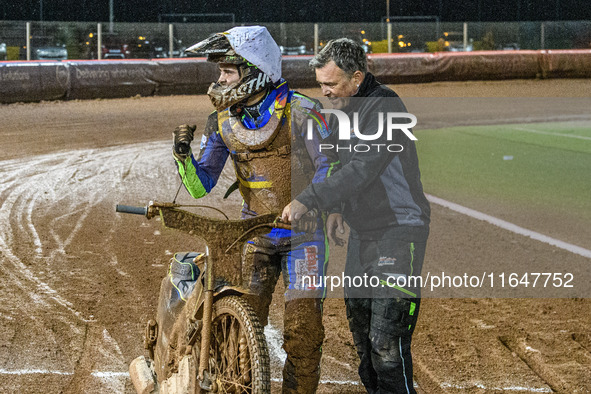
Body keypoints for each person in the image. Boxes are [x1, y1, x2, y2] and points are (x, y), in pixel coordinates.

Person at [173, 26, 338, 393]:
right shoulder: (222, 122)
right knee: (237, 328)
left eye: (227, 72)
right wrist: (182, 158)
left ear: (254, 70)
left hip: (304, 236)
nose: (220, 80)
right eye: (220, 72)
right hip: (254, 235)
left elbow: (333, 167)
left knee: (303, 331)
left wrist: (305, 200)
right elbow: (201, 186)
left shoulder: (303, 111)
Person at [282, 38, 430, 394]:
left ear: (357, 77)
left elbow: (362, 169)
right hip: (364, 235)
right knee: (364, 344)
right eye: (320, 84)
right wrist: (335, 208)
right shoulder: (342, 111)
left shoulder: (385, 106)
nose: (325, 92)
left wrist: (310, 199)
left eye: (330, 84)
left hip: (400, 230)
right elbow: (336, 163)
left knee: (386, 346)